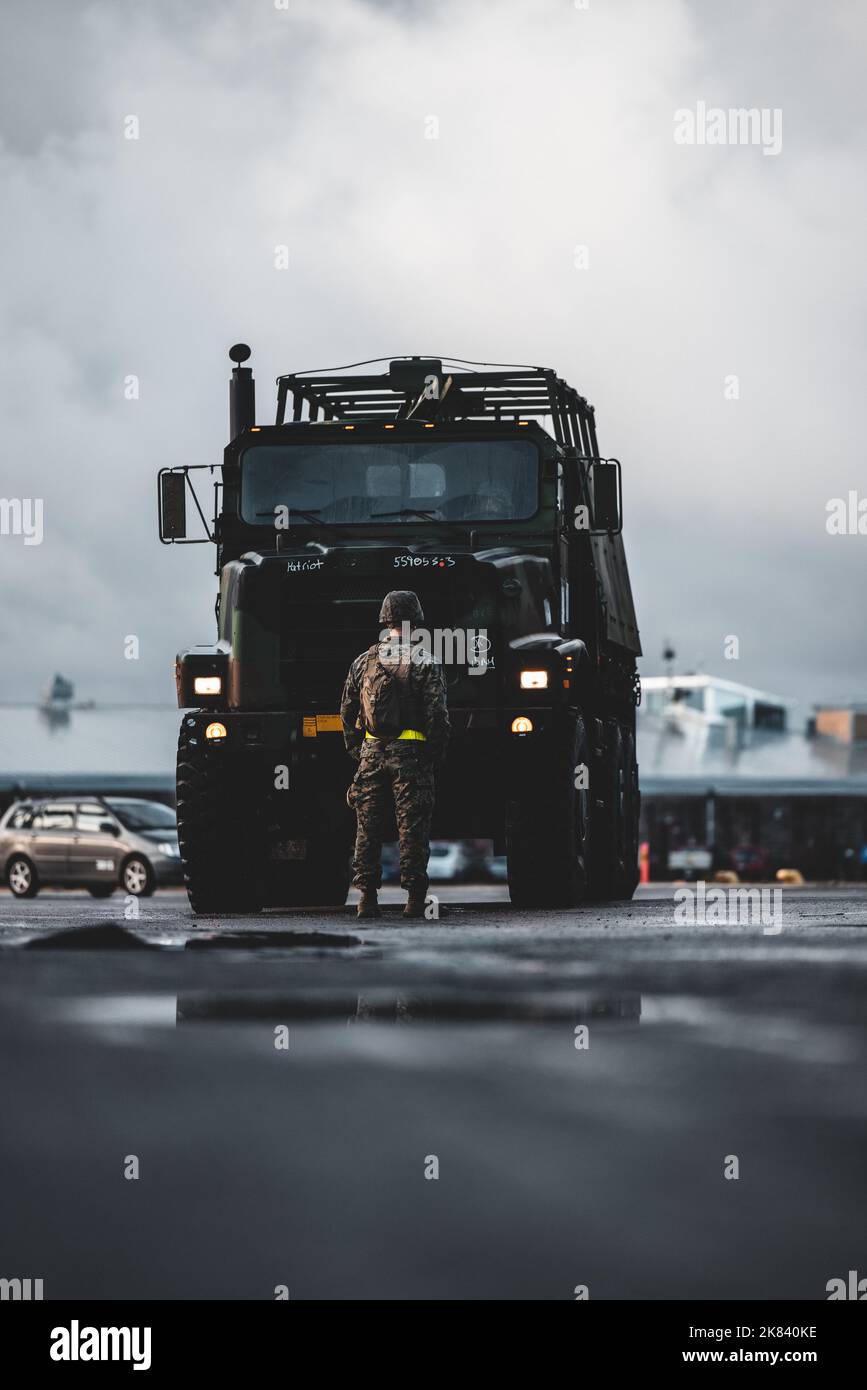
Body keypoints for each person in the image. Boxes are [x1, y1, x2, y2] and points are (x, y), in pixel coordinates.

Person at [340, 590, 450, 919]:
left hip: (372, 751)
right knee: (412, 827)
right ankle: (415, 899)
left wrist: (359, 752)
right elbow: (438, 717)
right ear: (415, 621)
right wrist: (432, 755)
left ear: (385, 621)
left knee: (367, 827)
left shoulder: (364, 660)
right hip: (412, 755)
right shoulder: (425, 661)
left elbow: (346, 712)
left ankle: (366, 900)